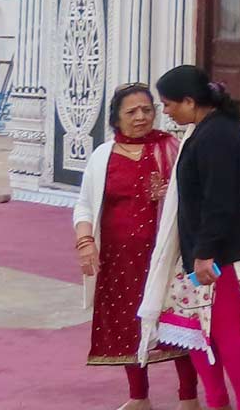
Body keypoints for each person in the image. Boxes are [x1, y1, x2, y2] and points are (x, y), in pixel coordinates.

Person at [136, 67, 240, 410]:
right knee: (188, 323)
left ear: (191, 101)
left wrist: (205, 254)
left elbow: (219, 200)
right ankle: (217, 400)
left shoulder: (219, 134)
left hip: (227, 252)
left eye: (169, 104)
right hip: (203, 250)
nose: (167, 111)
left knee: (223, 329)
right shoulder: (205, 129)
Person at [73, 83, 198, 409]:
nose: (141, 117)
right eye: (132, 111)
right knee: (130, 325)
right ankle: (139, 397)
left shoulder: (172, 148)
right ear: (116, 117)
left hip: (166, 257)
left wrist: (171, 196)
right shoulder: (103, 156)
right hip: (119, 259)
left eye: (147, 110)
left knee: (177, 323)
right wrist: (85, 243)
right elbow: (85, 205)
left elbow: (195, 197)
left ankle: (189, 397)